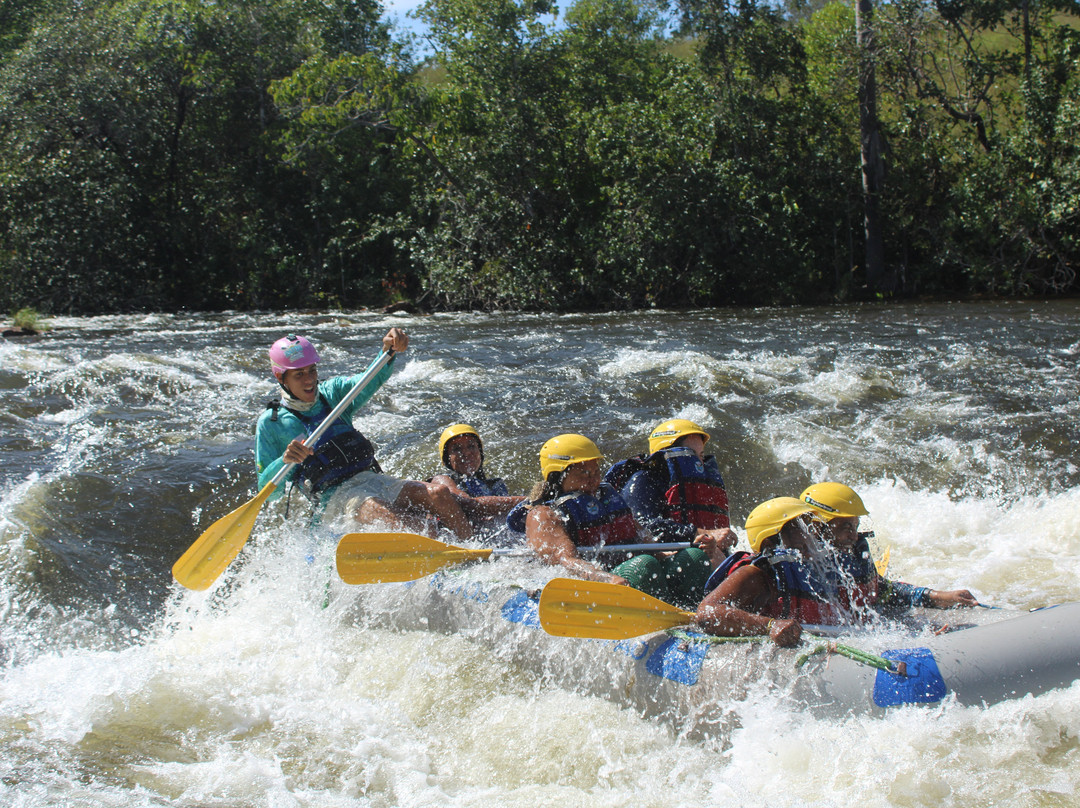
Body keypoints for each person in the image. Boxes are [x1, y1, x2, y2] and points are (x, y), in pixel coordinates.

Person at [254, 331, 473, 539]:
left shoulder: (333, 394)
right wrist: (284, 460)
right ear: (281, 377)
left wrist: (388, 350)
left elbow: (370, 379)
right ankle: (437, 558)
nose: (309, 380)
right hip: (335, 499)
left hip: (372, 479)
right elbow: (269, 493)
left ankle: (472, 552)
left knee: (440, 494)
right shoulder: (271, 424)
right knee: (412, 525)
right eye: (299, 374)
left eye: (312, 370)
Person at [523, 433, 714, 608]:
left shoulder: (607, 497)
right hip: (602, 581)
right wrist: (606, 579)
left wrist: (680, 552)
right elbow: (567, 561)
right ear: (557, 476)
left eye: (596, 471)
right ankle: (662, 614)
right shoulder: (544, 515)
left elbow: (645, 541)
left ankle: (693, 610)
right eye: (584, 473)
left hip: (633, 573)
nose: (594, 480)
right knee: (644, 566)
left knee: (694, 558)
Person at [799, 482, 978, 614]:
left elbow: (884, 592)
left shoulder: (854, 552)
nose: (854, 536)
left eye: (855, 526)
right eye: (846, 527)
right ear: (815, 527)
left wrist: (936, 596)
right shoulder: (794, 564)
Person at [696, 497, 837, 647]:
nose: (808, 537)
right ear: (769, 542)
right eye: (798, 528)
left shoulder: (816, 573)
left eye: (807, 528)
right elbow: (706, 613)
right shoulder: (755, 574)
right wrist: (770, 626)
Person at [606, 418, 737, 563]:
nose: (698, 464)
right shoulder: (642, 480)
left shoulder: (694, 486)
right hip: (659, 561)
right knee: (703, 556)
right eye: (691, 455)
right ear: (666, 453)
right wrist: (699, 533)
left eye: (700, 456)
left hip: (695, 556)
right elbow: (642, 526)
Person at [429, 424, 524, 534]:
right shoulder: (442, 480)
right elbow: (470, 505)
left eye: (471, 446)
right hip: (459, 540)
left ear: (480, 452)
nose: (466, 453)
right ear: (447, 459)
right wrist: (529, 500)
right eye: (456, 449)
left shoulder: (494, 485)